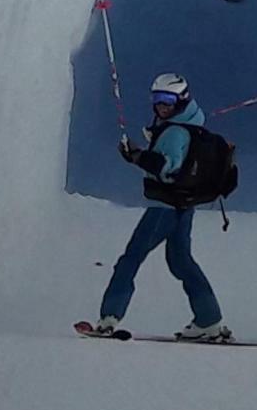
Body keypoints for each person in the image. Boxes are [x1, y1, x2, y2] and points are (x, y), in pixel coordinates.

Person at [96, 73, 231, 340]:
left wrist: (136, 156)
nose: (161, 105)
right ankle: (209, 320)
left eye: (168, 100)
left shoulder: (174, 131)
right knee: (181, 261)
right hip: (184, 204)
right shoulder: (191, 124)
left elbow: (168, 168)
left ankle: (109, 317)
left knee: (131, 258)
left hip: (164, 207)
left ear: (181, 99)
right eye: (157, 99)